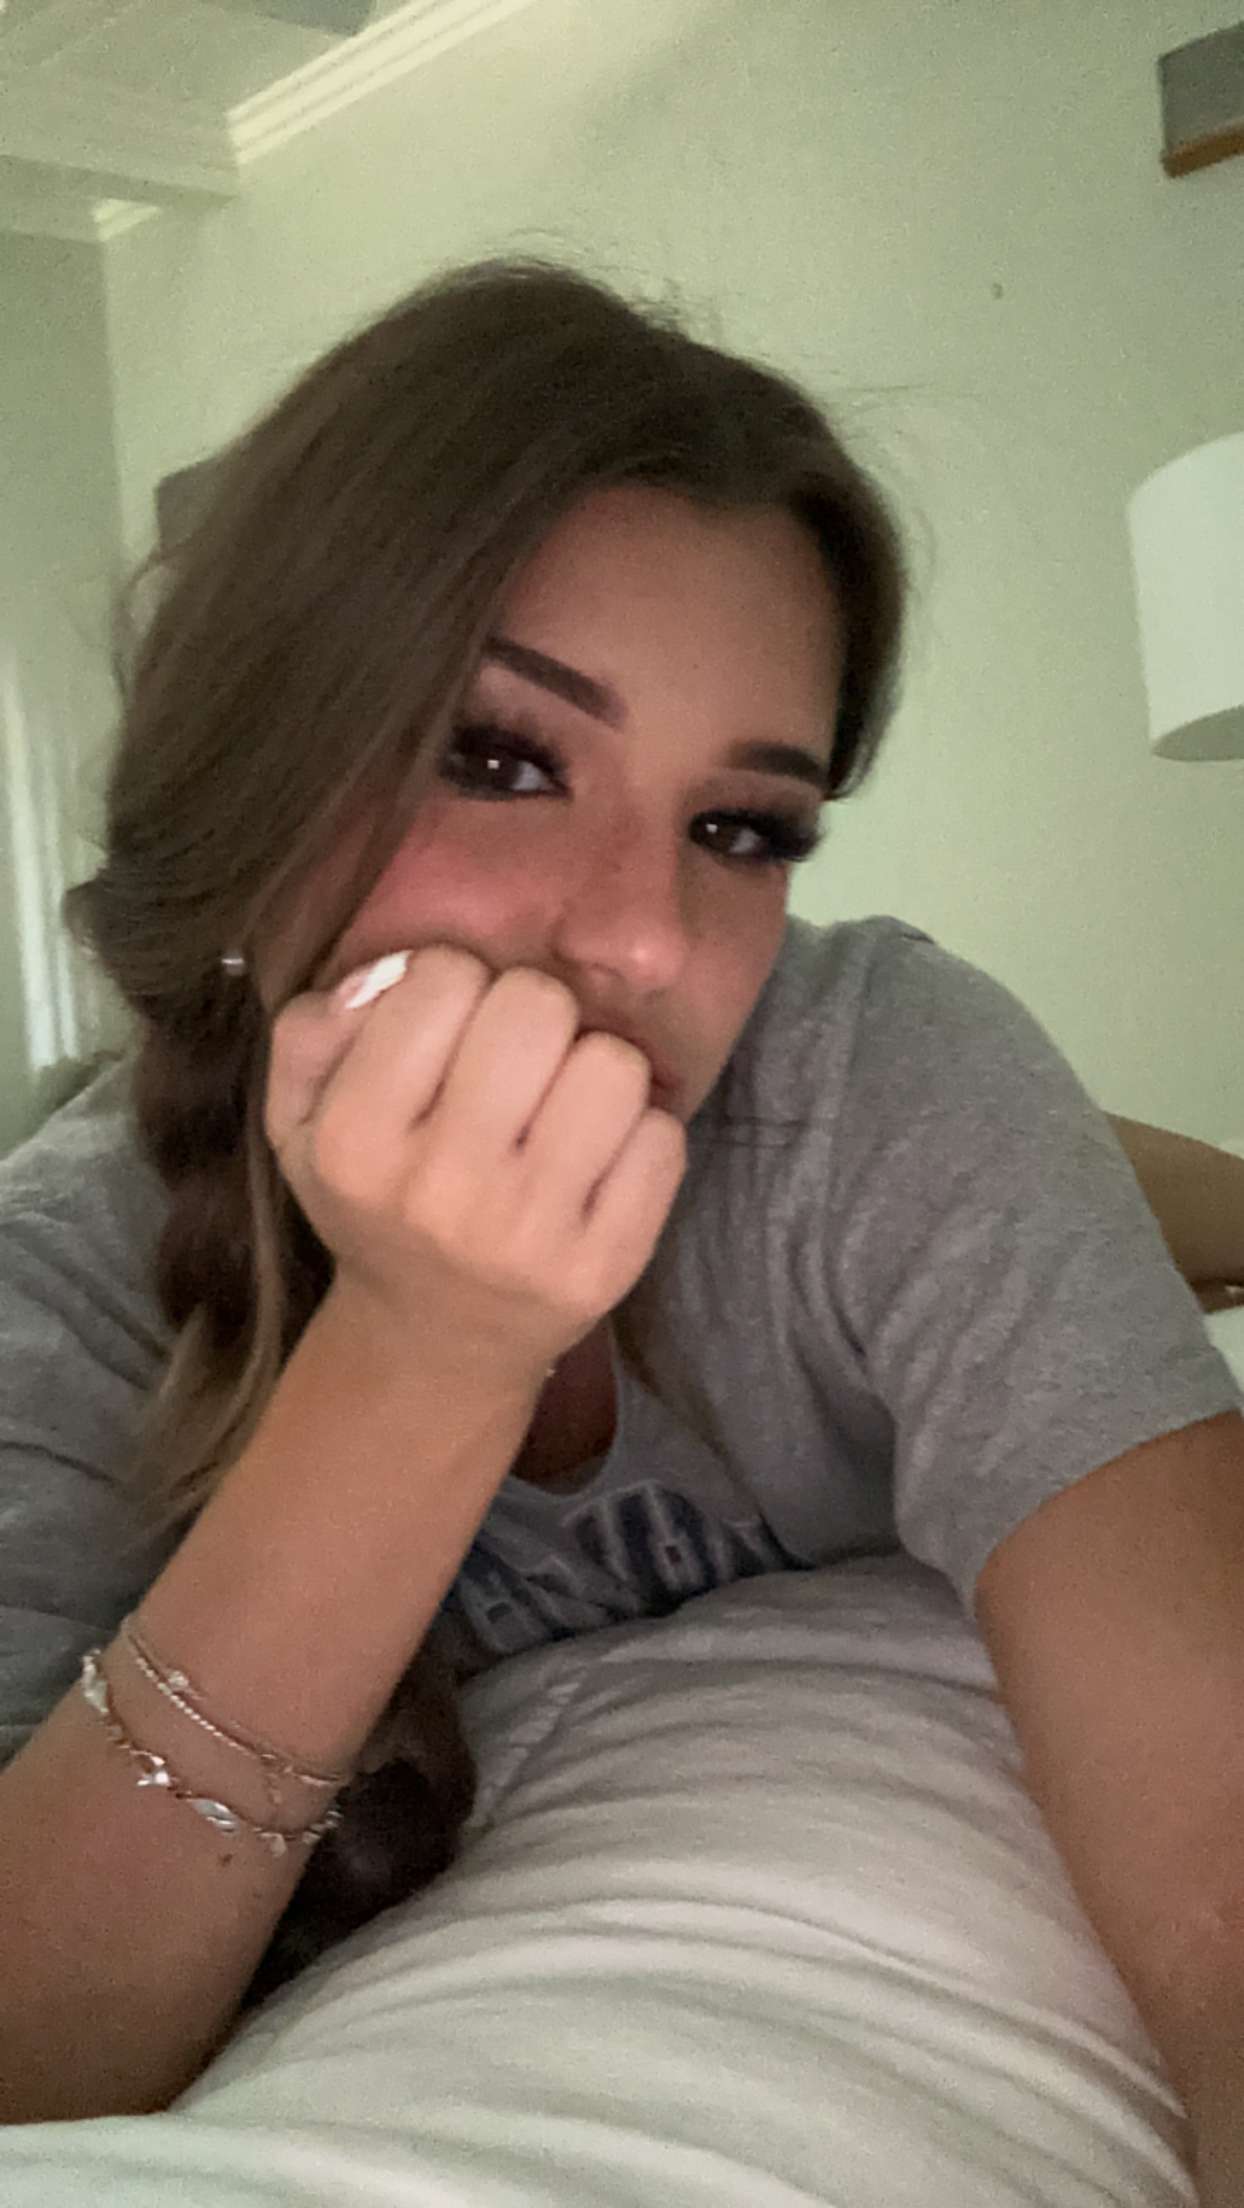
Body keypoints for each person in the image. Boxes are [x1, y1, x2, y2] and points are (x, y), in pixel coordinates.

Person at [0, 260, 1241, 2181]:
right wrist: (427, 1348)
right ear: (252, 784)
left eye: (743, 828)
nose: (650, 938)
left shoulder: (874, 1075)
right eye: (501, 759)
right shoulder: (62, 1286)